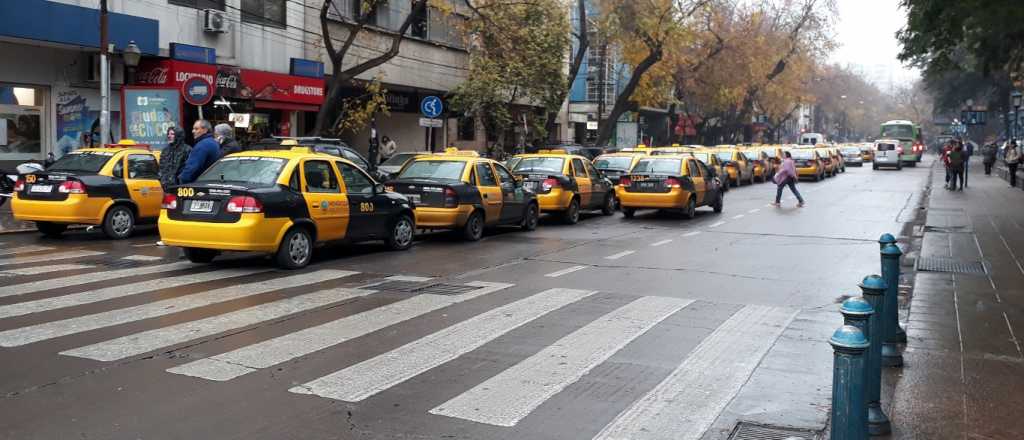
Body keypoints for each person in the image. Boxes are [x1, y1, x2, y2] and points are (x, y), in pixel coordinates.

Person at [177, 120, 220, 184]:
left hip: (197, 184)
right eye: (193, 129)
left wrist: (182, 178)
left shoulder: (202, 145)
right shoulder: (213, 142)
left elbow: (192, 167)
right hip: (208, 182)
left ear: (205, 130)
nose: (193, 131)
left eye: (196, 129)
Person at [158, 126, 191, 191]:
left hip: (180, 187)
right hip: (165, 187)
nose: (169, 136)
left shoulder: (187, 150)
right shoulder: (165, 150)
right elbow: (161, 167)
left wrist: (180, 180)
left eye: (172, 134)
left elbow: (188, 168)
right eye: (168, 134)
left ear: (179, 135)